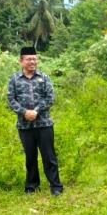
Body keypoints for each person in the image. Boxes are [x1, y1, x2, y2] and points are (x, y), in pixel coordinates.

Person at [7, 46, 63, 195]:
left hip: (44, 124)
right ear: (21, 61)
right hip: (24, 126)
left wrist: (36, 111)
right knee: (30, 157)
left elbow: (50, 97)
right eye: (28, 59)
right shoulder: (14, 79)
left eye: (34, 59)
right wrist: (24, 112)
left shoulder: (44, 77)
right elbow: (11, 99)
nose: (32, 61)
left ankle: (56, 186)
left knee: (49, 156)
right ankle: (32, 186)